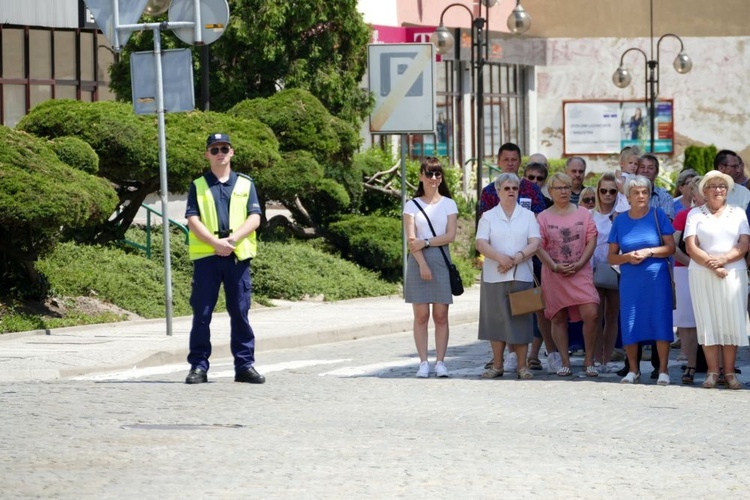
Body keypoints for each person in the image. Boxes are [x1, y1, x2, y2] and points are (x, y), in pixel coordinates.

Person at [185, 133, 265, 385]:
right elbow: (192, 219)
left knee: (240, 313)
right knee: (202, 313)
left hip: (237, 257)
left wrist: (231, 241)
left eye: (224, 148)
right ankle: (198, 366)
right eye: (214, 149)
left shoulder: (245, 183)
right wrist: (215, 243)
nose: (220, 152)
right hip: (207, 257)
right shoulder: (198, 185)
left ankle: (244, 366)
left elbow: (255, 218)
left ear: (232, 152)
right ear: (207, 154)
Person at [684, 170, 750, 389]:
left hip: (733, 273)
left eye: (722, 186)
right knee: (708, 320)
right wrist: (712, 265)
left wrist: (722, 260)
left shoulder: (739, 212)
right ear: (704, 190)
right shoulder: (695, 214)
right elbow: (690, 246)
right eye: (713, 186)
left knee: (731, 321)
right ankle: (712, 372)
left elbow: (744, 244)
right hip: (702, 273)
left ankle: (730, 373)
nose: (719, 190)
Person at [608, 175, 675, 385]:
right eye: (636, 192)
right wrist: (627, 257)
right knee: (630, 322)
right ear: (628, 197)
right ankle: (634, 370)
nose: (641, 196)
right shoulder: (620, 220)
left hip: (657, 279)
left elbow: (671, 248)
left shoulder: (658, 215)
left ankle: (663, 370)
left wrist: (648, 252)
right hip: (630, 280)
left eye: (644, 192)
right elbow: (611, 256)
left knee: (660, 321)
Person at [476, 173, 541, 380]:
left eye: (514, 188)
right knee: (496, 321)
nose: (511, 191)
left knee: (521, 322)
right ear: (497, 191)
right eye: (507, 188)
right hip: (494, 276)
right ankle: (497, 365)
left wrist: (517, 258)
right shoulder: (488, 216)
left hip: (521, 274)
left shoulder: (528, 215)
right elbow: (480, 242)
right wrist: (499, 258)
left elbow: (535, 242)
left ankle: (522, 367)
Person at [536, 172, 600, 377]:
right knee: (558, 316)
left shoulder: (583, 213)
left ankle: (589, 359)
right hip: (554, 273)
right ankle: (565, 361)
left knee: (591, 312)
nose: (563, 191)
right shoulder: (543, 217)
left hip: (580, 271)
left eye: (566, 187)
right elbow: (538, 245)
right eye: (558, 188)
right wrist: (554, 266)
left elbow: (592, 238)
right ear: (550, 191)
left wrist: (581, 263)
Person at [403, 157, 458, 378]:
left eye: (437, 174)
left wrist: (426, 242)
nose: (433, 178)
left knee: (441, 314)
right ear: (420, 177)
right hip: (418, 261)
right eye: (429, 174)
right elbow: (411, 240)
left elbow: (450, 236)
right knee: (421, 315)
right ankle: (423, 361)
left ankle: (441, 362)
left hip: (441, 258)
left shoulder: (449, 203)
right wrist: (423, 262)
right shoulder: (411, 205)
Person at [672, 175, 703, 384]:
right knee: (688, 321)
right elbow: (672, 246)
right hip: (685, 270)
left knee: (711, 319)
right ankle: (691, 364)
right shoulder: (684, 215)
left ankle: (716, 366)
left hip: (711, 271)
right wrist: (691, 263)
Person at [590, 173, 620, 372]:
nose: (608, 195)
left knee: (612, 314)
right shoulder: (590, 215)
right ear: (598, 192)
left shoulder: (622, 214)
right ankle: (594, 357)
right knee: (595, 315)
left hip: (617, 267)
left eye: (612, 191)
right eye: (603, 190)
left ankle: (606, 360)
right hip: (594, 267)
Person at [479, 143, 546, 215]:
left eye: (514, 160)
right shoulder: (489, 191)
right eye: (506, 160)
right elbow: (484, 220)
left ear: (520, 162)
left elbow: (541, 218)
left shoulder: (532, 189)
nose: (510, 163)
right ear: (498, 162)